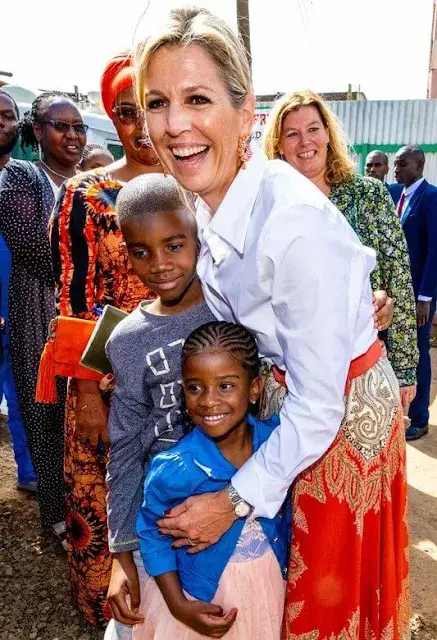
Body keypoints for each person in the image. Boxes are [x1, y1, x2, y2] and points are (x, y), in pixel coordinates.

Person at [135, 8, 410, 638]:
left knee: (323, 605)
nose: (175, 125)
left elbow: (317, 409)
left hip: (337, 423)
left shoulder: (292, 224)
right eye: (158, 102)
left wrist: (232, 503)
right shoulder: (209, 205)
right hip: (284, 407)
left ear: (244, 110)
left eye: (197, 99)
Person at [50, 52, 160, 627]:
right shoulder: (86, 195)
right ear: (110, 117)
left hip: (179, 376)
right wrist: (88, 391)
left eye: (151, 108)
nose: (141, 126)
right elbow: (74, 302)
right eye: (126, 112)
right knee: (105, 494)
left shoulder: (193, 186)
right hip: (108, 382)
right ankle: (109, 615)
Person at [103, 174, 217, 639]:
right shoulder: (128, 340)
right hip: (163, 524)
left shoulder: (232, 308)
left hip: (240, 508)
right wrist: (121, 554)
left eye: (174, 245)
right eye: (141, 251)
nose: (160, 265)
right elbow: (126, 450)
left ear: (197, 234)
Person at [262, 90, 418, 410]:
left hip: (360, 374)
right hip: (290, 379)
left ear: (328, 135)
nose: (305, 142)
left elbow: (397, 276)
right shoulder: (266, 206)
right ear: (278, 145)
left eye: (313, 129)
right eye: (292, 134)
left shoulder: (367, 194)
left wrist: (404, 369)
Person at [135, 320, 289, 640]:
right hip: (196, 599)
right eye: (195, 387)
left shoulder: (278, 445)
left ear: (255, 389)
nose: (208, 400)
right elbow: (152, 533)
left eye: (225, 385)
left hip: (270, 585)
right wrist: (177, 605)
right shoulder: (173, 468)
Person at [0, 92, 86, 541]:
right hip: (40, 320)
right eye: (61, 126)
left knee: (91, 419)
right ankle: (57, 517)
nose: (72, 136)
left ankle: (95, 512)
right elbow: (37, 254)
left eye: (78, 127)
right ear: (37, 131)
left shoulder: (95, 177)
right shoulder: (19, 178)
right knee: (45, 417)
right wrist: (93, 256)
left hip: (87, 321)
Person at [0, 90, 36, 492]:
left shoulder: (28, 181)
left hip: (20, 305)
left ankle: (30, 472)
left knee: (23, 388)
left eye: (8, 115)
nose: (2, 122)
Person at [393, 145, 437, 440]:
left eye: (402, 165)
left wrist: (425, 297)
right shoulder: (400, 195)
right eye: (395, 165)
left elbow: (435, 249)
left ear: (419, 165)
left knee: (419, 353)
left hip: (419, 297)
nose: (396, 170)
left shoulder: (431, 197)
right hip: (400, 294)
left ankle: (420, 417)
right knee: (402, 353)